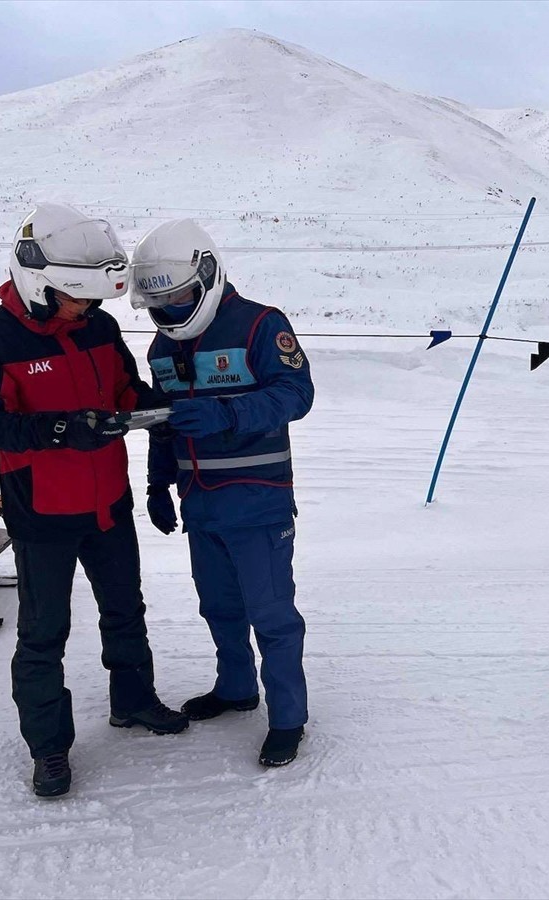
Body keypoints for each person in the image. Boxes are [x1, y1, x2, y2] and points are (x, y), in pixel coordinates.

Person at [0, 202, 189, 799]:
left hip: (108, 502)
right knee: (44, 633)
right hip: (42, 515)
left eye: (91, 299)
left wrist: (149, 408)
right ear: (38, 283)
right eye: (74, 298)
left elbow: (123, 387)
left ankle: (133, 702)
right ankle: (49, 747)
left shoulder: (100, 328)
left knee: (126, 611)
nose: (85, 308)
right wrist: (61, 428)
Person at [131, 218, 314, 767]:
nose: (172, 311)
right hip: (201, 503)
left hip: (258, 505)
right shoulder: (161, 346)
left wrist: (227, 413)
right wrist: (158, 482)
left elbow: (295, 394)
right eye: (162, 303)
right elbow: (166, 423)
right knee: (219, 607)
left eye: (183, 297)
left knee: (272, 614)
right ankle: (236, 688)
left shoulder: (261, 325)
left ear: (207, 275)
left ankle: (289, 718)